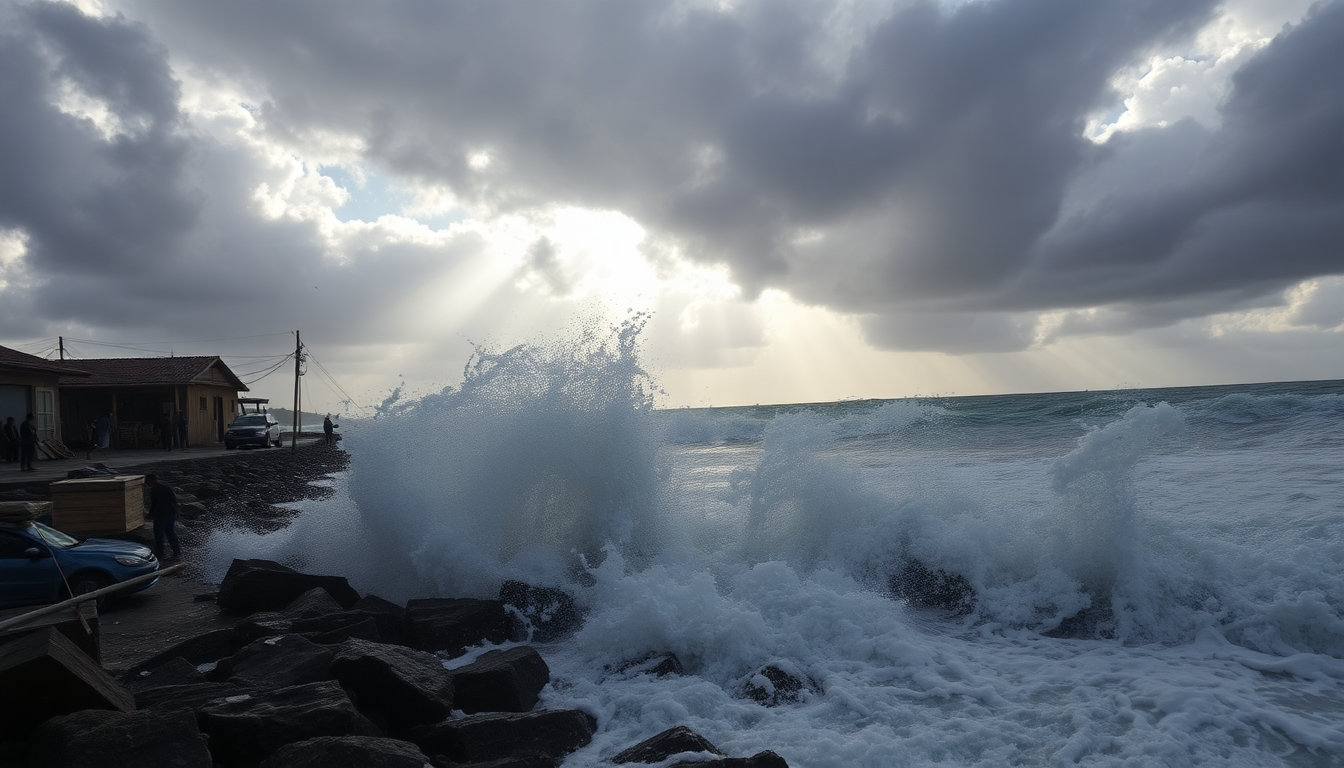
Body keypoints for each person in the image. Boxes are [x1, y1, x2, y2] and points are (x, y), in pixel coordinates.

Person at [143, 473, 181, 561]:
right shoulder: (166, 488)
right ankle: (176, 552)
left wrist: (149, 515)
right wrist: (176, 512)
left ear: (152, 481)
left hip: (160, 515)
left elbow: (154, 504)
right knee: (170, 533)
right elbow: (173, 500)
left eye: (147, 481)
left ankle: (160, 555)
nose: (146, 483)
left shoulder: (154, 490)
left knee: (159, 535)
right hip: (170, 513)